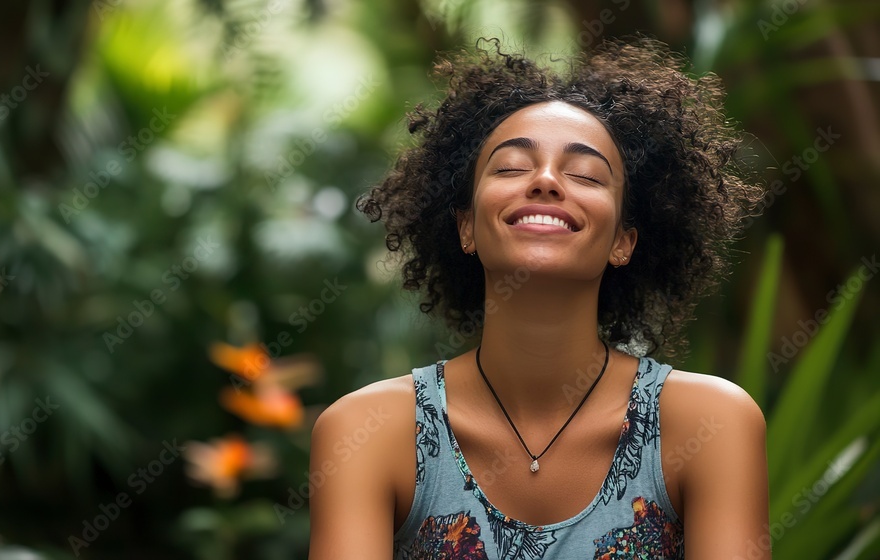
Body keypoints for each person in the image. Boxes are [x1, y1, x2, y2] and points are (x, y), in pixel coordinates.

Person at [309, 37, 769, 559]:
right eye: (510, 168)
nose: (547, 181)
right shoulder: (369, 431)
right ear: (466, 228)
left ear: (624, 241)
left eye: (585, 174)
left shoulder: (708, 423)